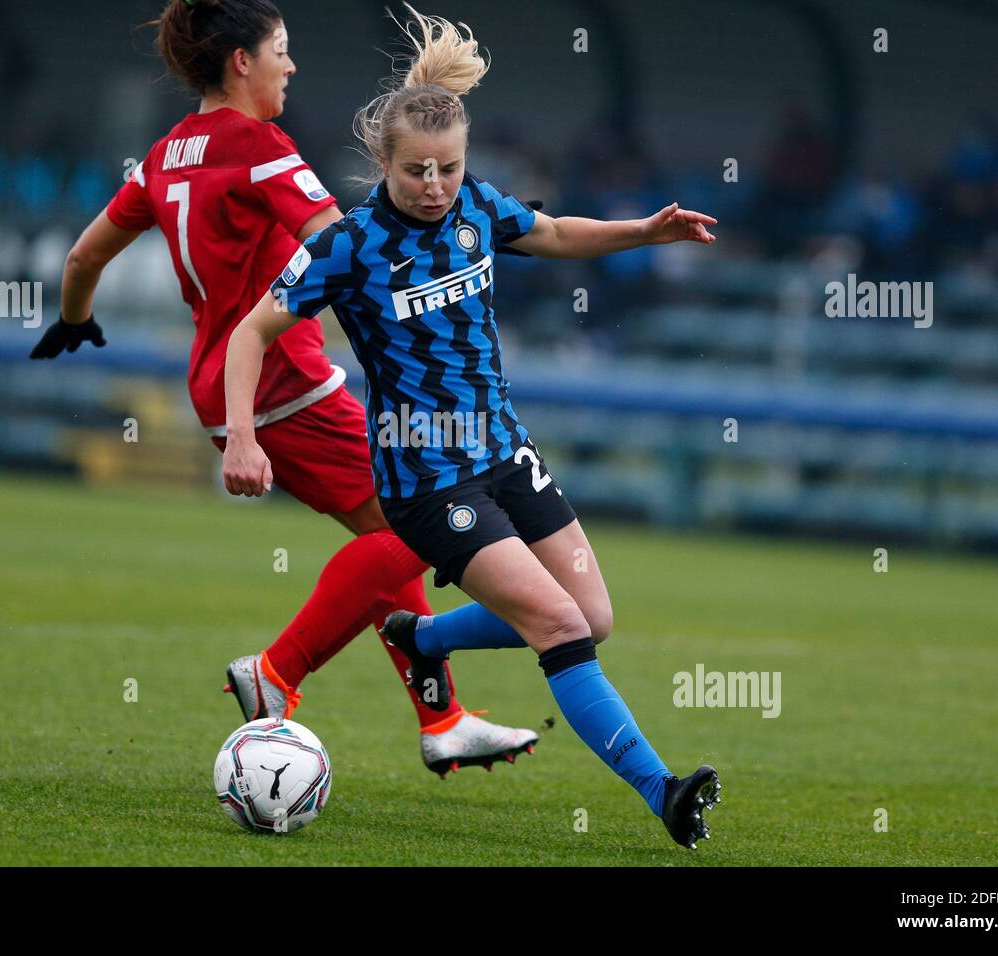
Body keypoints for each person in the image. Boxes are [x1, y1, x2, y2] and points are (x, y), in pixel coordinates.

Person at [222, 4, 723, 848]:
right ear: (383, 162)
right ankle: (663, 792)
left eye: (448, 169)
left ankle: (422, 638)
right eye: (417, 170)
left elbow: (556, 231)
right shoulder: (349, 247)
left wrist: (646, 230)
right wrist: (242, 434)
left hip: (505, 454)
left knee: (593, 616)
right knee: (560, 629)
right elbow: (250, 333)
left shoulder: (478, 209)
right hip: (428, 481)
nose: (434, 186)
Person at [29, 0, 538, 777]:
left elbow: (81, 260)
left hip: (224, 382)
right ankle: (277, 673)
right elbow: (343, 246)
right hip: (283, 382)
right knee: (421, 523)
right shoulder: (260, 147)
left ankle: (441, 719)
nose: (290, 67)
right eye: (281, 51)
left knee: (397, 539)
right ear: (242, 62)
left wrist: (76, 322)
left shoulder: (165, 157)